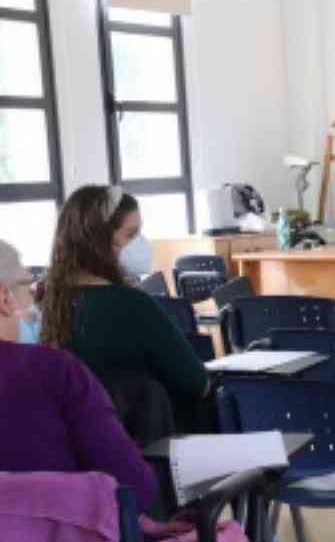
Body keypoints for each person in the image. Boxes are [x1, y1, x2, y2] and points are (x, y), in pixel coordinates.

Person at [0, 239, 177, 542]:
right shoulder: (54, 373)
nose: (32, 300)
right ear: (3, 300)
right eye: (25, 288)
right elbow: (136, 490)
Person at [40, 185, 214, 433]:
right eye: (131, 234)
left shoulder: (41, 301)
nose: (141, 244)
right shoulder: (131, 304)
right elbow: (197, 383)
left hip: (71, 453)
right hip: (145, 449)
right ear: (97, 239)